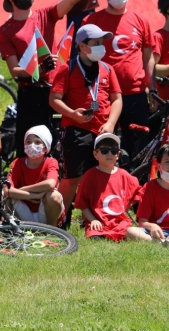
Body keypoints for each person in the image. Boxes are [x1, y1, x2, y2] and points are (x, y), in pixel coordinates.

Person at [0, 0, 101, 156]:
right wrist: (39, 69)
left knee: (61, 142)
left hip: (58, 89)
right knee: (30, 144)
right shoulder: (5, 30)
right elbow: (14, 70)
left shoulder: (46, 15)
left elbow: (71, 0)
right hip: (31, 93)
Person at [51, 24, 123, 215]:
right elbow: (54, 99)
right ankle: (58, 219)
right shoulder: (68, 69)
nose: (101, 46)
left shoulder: (108, 69)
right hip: (76, 130)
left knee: (100, 177)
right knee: (72, 178)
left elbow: (117, 99)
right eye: (96, 43)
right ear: (82, 46)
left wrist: (110, 124)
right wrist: (73, 114)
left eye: (102, 42)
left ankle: (95, 218)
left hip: (103, 131)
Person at [84, 0, 157, 156]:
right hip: (101, 96)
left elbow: (148, 58)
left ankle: (135, 183)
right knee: (99, 144)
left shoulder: (141, 21)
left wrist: (153, 90)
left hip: (136, 95)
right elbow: (80, 58)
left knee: (139, 147)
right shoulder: (92, 21)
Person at [74, 133, 140, 241]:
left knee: (130, 232)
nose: (109, 154)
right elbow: (82, 203)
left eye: (113, 151)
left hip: (119, 222)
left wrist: (126, 206)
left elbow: (138, 192)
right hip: (98, 221)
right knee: (95, 235)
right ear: (96, 154)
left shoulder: (124, 174)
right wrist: (93, 220)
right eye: (104, 150)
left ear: (118, 155)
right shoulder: (90, 175)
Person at [6, 125, 64, 225]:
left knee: (54, 196)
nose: (32, 145)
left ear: (46, 148)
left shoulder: (51, 162)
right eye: (28, 142)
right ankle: (11, 227)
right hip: (23, 212)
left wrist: (22, 190)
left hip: (44, 211)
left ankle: (50, 230)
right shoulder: (18, 163)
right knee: (3, 195)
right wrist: (36, 195)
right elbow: (7, 190)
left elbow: (50, 184)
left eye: (37, 142)